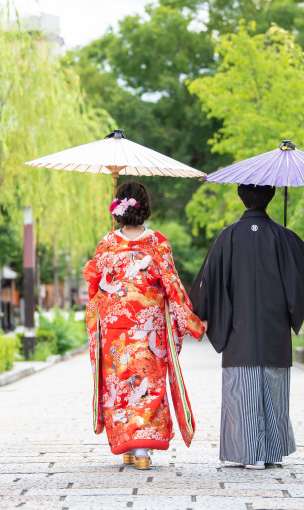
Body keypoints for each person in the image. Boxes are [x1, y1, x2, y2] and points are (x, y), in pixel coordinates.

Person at [189, 184, 304, 470]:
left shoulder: (229, 235)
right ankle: (270, 451)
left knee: (242, 388)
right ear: (270, 197)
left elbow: (207, 281)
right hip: (274, 328)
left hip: (237, 328)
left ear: (241, 196)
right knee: (273, 387)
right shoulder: (284, 236)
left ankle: (249, 453)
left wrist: (205, 313)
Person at [84, 181, 205, 470]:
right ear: (146, 210)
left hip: (115, 330)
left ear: (117, 210)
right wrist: (189, 321)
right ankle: (140, 452)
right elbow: (172, 285)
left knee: (119, 386)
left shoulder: (107, 243)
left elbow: (95, 286)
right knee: (148, 384)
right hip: (149, 328)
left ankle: (128, 444)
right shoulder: (158, 242)